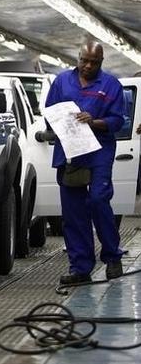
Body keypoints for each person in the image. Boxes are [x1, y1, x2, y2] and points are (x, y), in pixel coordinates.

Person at [45, 40, 126, 285]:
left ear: (101, 62)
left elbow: (117, 121)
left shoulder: (111, 85)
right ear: (78, 58)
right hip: (70, 151)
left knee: (99, 199)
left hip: (99, 149)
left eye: (94, 62)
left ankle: (112, 255)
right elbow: (49, 113)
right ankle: (80, 267)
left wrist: (94, 121)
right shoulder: (61, 82)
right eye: (84, 60)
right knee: (73, 210)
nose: (88, 66)